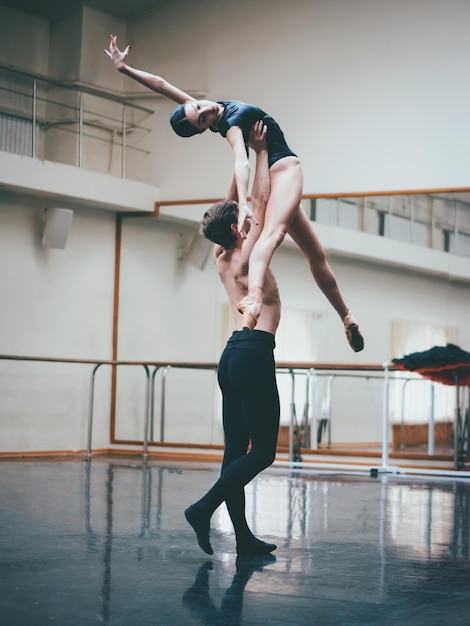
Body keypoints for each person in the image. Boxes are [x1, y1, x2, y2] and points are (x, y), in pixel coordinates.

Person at [104, 35, 364, 352]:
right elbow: (241, 161)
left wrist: (125, 69)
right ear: (201, 129)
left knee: (315, 255)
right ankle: (254, 295)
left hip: (275, 179)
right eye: (200, 119)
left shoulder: (210, 113)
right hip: (283, 170)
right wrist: (241, 204)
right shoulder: (229, 126)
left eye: (198, 107)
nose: (205, 111)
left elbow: (162, 86)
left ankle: (346, 317)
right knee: (274, 233)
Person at [183, 121, 280, 556]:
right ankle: (203, 509)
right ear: (238, 228)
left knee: (233, 451)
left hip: (230, 356)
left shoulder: (223, 254)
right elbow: (256, 199)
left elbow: (232, 206)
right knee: (262, 453)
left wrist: (236, 161)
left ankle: (242, 538)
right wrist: (259, 151)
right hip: (255, 352)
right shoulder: (247, 248)